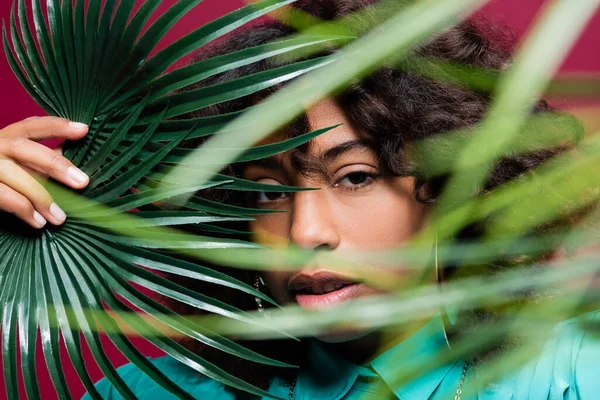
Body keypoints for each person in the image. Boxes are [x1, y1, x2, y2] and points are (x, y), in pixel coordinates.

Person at [1, 1, 598, 399]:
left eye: (355, 177)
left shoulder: (570, 378)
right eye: (266, 191)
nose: (305, 231)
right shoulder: (153, 392)